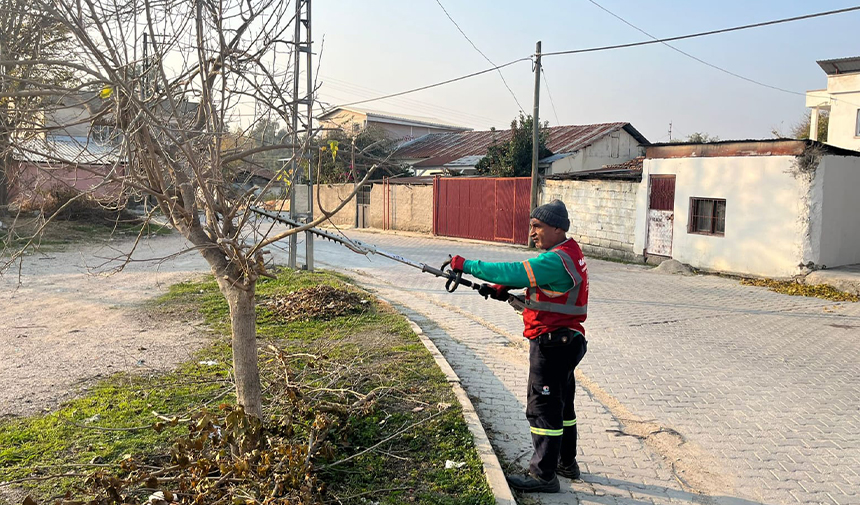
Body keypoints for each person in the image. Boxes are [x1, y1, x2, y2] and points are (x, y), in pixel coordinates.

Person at [447, 199, 588, 493]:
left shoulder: (555, 259)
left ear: (558, 228)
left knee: (543, 408)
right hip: (567, 340)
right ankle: (566, 463)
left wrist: (468, 266)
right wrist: (503, 293)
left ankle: (543, 475)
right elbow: (546, 295)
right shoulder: (567, 254)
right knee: (563, 406)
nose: (532, 232)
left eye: (537, 226)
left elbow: (514, 270)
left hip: (551, 343)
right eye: (531, 226)